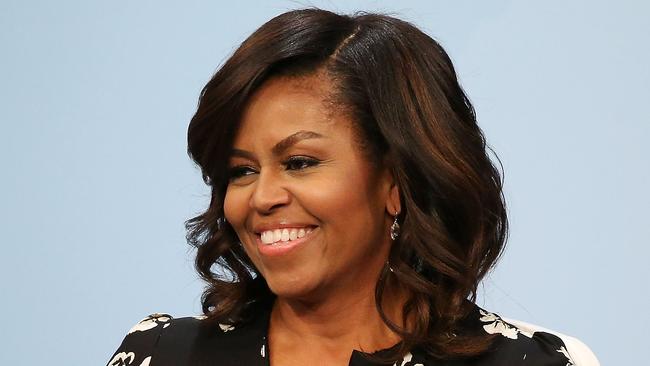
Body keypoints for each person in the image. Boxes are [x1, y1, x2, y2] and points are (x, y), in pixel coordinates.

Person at [106, 8, 598, 366]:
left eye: (298, 162)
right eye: (242, 171)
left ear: (396, 181)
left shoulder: (534, 362)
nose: (261, 197)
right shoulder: (159, 354)